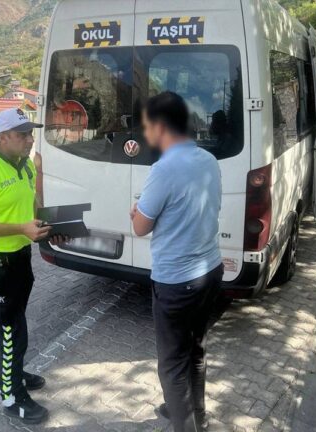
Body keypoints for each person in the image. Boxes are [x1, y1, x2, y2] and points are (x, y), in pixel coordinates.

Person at [0, 108, 66, 424]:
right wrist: (21, 229)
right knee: (10, 331)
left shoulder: (25, 167)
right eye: (23, 134)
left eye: (31, 133)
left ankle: (14, 371)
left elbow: (32, 206)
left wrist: (50, 228)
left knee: (14, 324)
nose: (30, 139)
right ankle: (11, 395)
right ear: (2, 136)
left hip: (20, 258)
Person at [130, 92, 223, 432]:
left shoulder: (163, 169)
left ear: (160, 126)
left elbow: (141, 226)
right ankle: (198, 416)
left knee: (171, 364)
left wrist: (136, 214)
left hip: (177, 281)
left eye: (146, 126)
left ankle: (186, 425)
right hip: (210, 271)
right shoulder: (208, 161)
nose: (145, 134)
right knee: (195, 350)